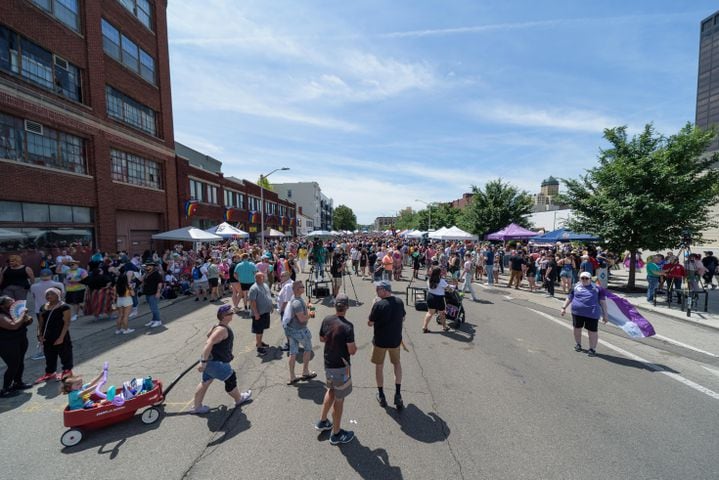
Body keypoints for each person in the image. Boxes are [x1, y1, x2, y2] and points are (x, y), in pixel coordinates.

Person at [191, 305, 252, 414]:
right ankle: (239, 399)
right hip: (217, 363)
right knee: (230, 378)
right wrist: (203, 362)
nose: (233, 314)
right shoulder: (222, 330)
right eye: (230, 313)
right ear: (224, 316)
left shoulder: (217, 326)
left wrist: (205, 361)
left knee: (206, 381)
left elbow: (208, 336)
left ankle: (197, 407)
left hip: (211, 361)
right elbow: (208, 343)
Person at [316, 294, 357, 445]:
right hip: (341, 367)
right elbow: (351, 350)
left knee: (331, 390)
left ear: (335, 306)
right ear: (346, 307)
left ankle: (322, 421)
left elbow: (321, 338)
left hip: (328, 363)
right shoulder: (348, 326)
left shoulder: (327, 320)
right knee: (339, 400)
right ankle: (337, 433)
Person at [368, 280, 405, 410]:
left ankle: (382, 394)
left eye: (378, 289)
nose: (376, 291)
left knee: (379, 366)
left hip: (380, 341)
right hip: (395, 340)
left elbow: (370, 323)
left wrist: (373, 305)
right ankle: (398, 393)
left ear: (384, 290)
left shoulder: (378, 305)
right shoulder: (399, 302)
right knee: (397, 364)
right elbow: (403, 318)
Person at [560, 272, 609, 357]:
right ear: (580, 279)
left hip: (592, 314)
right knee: (577, 329)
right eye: (582, 278)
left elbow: (603, 302)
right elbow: (569, 298)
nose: (584, 280)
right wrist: (563, 308)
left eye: (586, 278)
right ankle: (578, 344)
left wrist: (605, 315)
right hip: (577, 313)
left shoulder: (597, 288)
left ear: (590, 279)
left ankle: (592, 349)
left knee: (592, 332)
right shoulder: (575, 286)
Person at [35, 288, 73, 382]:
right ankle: (50, 373)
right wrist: (39, 335)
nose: (49, 296)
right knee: (49, 355)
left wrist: (61, 337)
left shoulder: (64, 307)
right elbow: (40, 323)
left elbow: (66, 323)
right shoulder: (43, 307)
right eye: (47, 294)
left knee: (65, 353)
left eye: (52, 294)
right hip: (47, 336)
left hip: (60, 334)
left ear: (58, 295)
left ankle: (67, 370)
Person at [283, 281, 317, 384]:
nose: (304, 288)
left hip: (292, 330)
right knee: (308, 349)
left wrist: (308, 307)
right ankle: (305, 372)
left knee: (293, 353)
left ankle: (292, 377)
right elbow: (302, 319)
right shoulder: (297, 302)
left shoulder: (295, 299)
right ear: (298, 289)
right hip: (300, 331)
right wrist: (311, 313)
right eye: (302, 287)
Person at [0, 295, 34, 396]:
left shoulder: (15, 311)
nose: (13, 301)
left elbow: (28, 322)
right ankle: (5, 389)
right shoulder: (1, 315)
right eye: (10, 300)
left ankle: (17, 383)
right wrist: (22, 314)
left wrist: (27, 317)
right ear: (2, 305)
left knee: (20, 362)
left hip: (20, 339)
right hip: (6, 343)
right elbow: (13, 325)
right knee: (13, 364)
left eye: (13, 299)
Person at [248, 272, 273, 356]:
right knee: (258, 330)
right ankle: (259, 347)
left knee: (261, 329)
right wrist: (256, 313)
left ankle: (260, 342)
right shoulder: (254, 288)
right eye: (260, 277)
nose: (262, 278)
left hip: (265, 311)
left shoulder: (265, 285)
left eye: (263, 277)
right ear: (256, 278)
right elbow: (252, 301)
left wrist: (271, 306)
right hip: (259, 313)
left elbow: (268, 296)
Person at [422, 266, 450, 333]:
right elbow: (449, 288)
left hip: (430, 296)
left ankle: (424, 327)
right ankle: (444, 327)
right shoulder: (441, 281)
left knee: (430, 313)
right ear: (439, 273)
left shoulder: (429, 279)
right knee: (442, 313)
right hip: (439, 298)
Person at [141, 262, 164, 328]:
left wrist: (158, 292)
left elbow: (160, 283)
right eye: (146, 266)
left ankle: (158, 321)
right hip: (148, 292)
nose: (146, 267)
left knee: (154, 308)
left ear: (152, 267)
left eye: (148, 266)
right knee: (152, 307)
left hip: (153, 293)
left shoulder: (156, 274)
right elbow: (142, 280)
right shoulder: (147, 273)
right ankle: (154, 320)